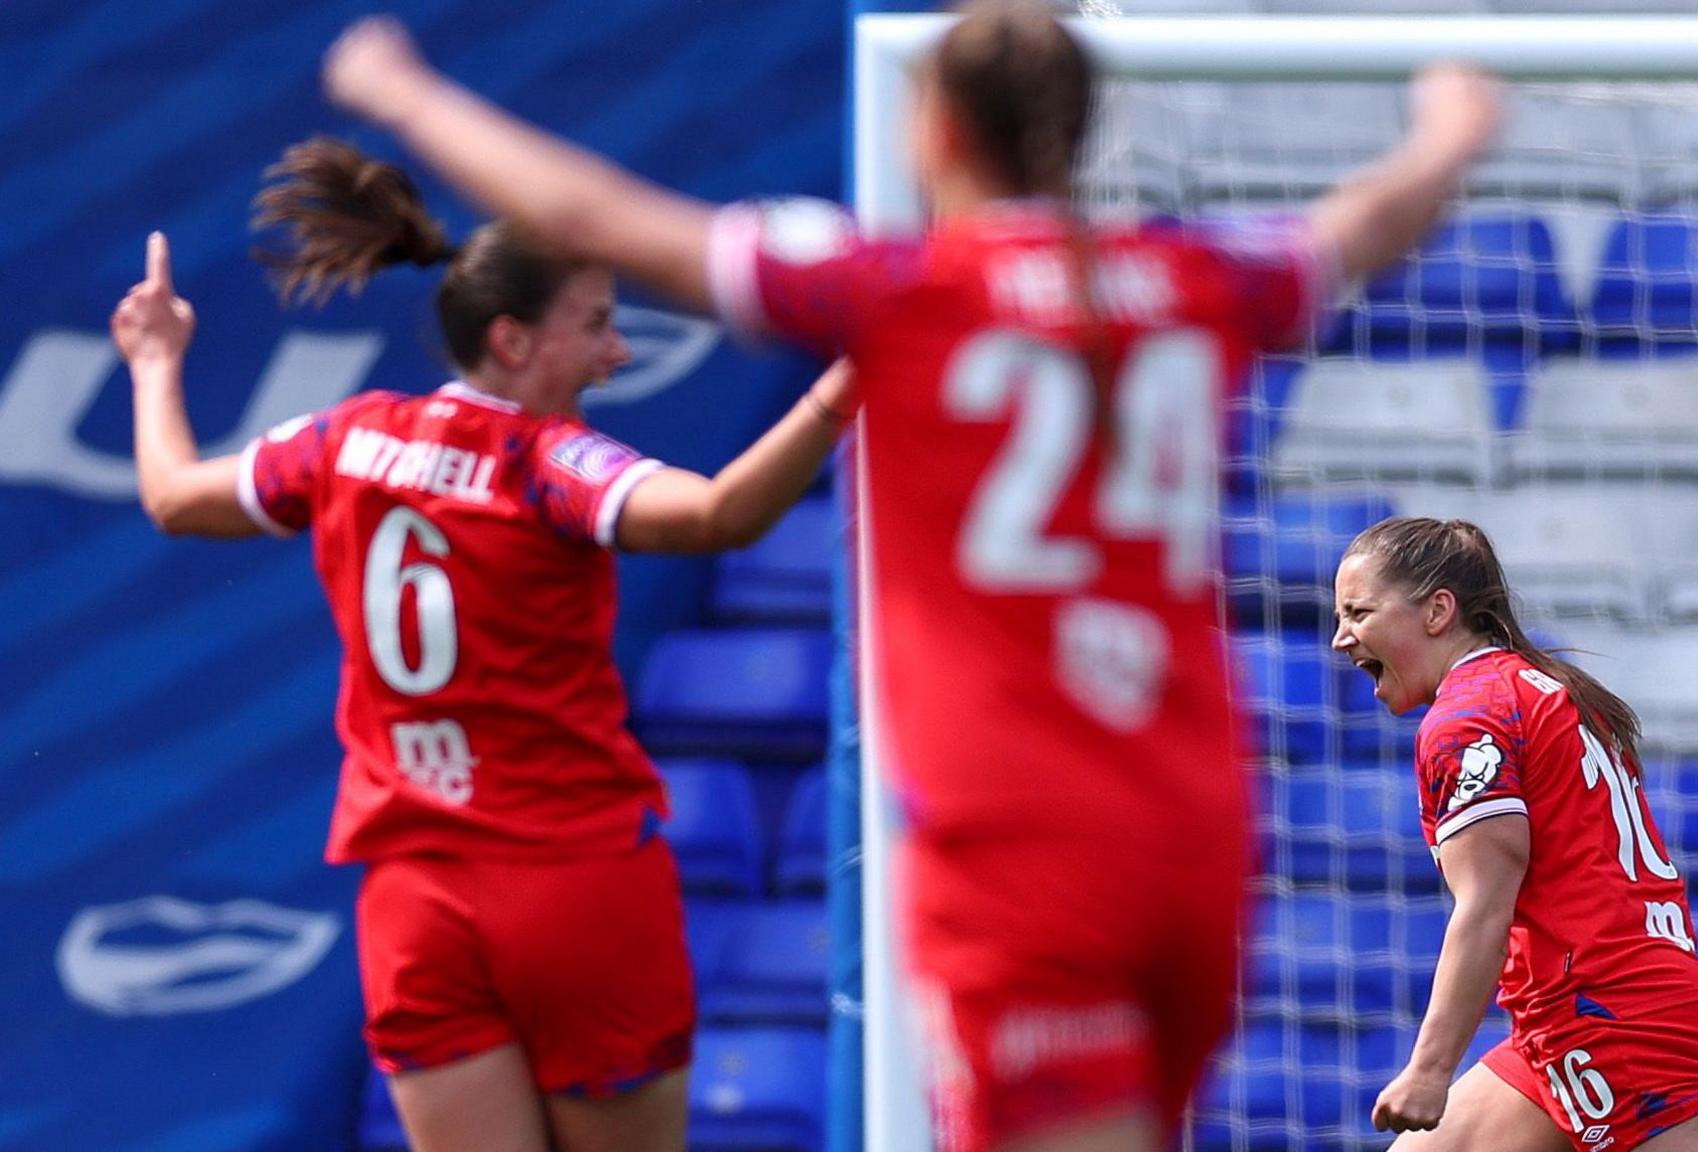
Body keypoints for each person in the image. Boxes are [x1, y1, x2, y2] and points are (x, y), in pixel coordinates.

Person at [319, 6, 1500, 1149]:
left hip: (1014, 838)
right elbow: (1358, 225)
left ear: (931, 130)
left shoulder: (897, 289)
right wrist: (1451, 127)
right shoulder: (1192, 278)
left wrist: (404, 92)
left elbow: (590, 212)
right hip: (1191, 826)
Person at [110, 136, 856, 1152]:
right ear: (512, 341)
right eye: (595, 326)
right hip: (574, 888)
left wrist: (156, 361)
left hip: (416, 906)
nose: (617, 352)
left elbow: (170, 497)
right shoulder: (544, 464)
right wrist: (851, 379)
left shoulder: (344, 438)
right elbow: (718, 514)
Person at [1330, 517, 1698, 1152]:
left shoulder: (1467, 719)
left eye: (1358, 613)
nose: (1342, 639)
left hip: (1610, 1015)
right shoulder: (1540, 685)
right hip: (1576, 1015)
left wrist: (1429, 1069)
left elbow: (1483, 907)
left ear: (1438, 611)